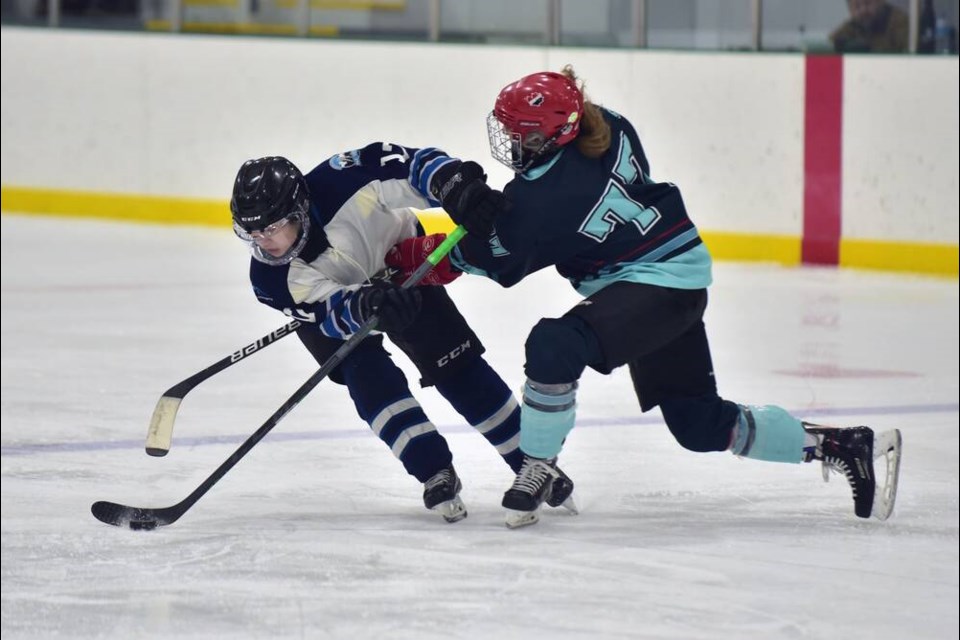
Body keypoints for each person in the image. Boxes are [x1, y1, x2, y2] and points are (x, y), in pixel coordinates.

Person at [386, 66, 903, 528]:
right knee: (698, 424)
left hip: (653, 286)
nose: (510, 143)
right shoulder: (606, 124)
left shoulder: (541, 203)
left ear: (553, 135)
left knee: (554, 344)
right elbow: (531, 213)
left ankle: (537, 464)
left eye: (520, 135)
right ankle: (840, 445)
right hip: (671, 279)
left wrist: (417, 256)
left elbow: (495, 258)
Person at [229, 147, 577, 523]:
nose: (262, 241)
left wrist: (453, 188)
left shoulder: (342, 181)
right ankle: (432, 470)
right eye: (251, 232)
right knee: (367, 377)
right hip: (345, 305)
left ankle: (531, 463)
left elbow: (414, 165)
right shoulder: (269, 279)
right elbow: (327, 314)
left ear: (299, 209)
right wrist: (363, 306)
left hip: (401, 265)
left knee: (456, 367)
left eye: (271, 227)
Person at [830, 0, 909, 53]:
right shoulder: (851, 27)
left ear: (880, 2)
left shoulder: (899, 22)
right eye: (857, 6)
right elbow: (829, 47)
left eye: (867, 3)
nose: (863, 10)